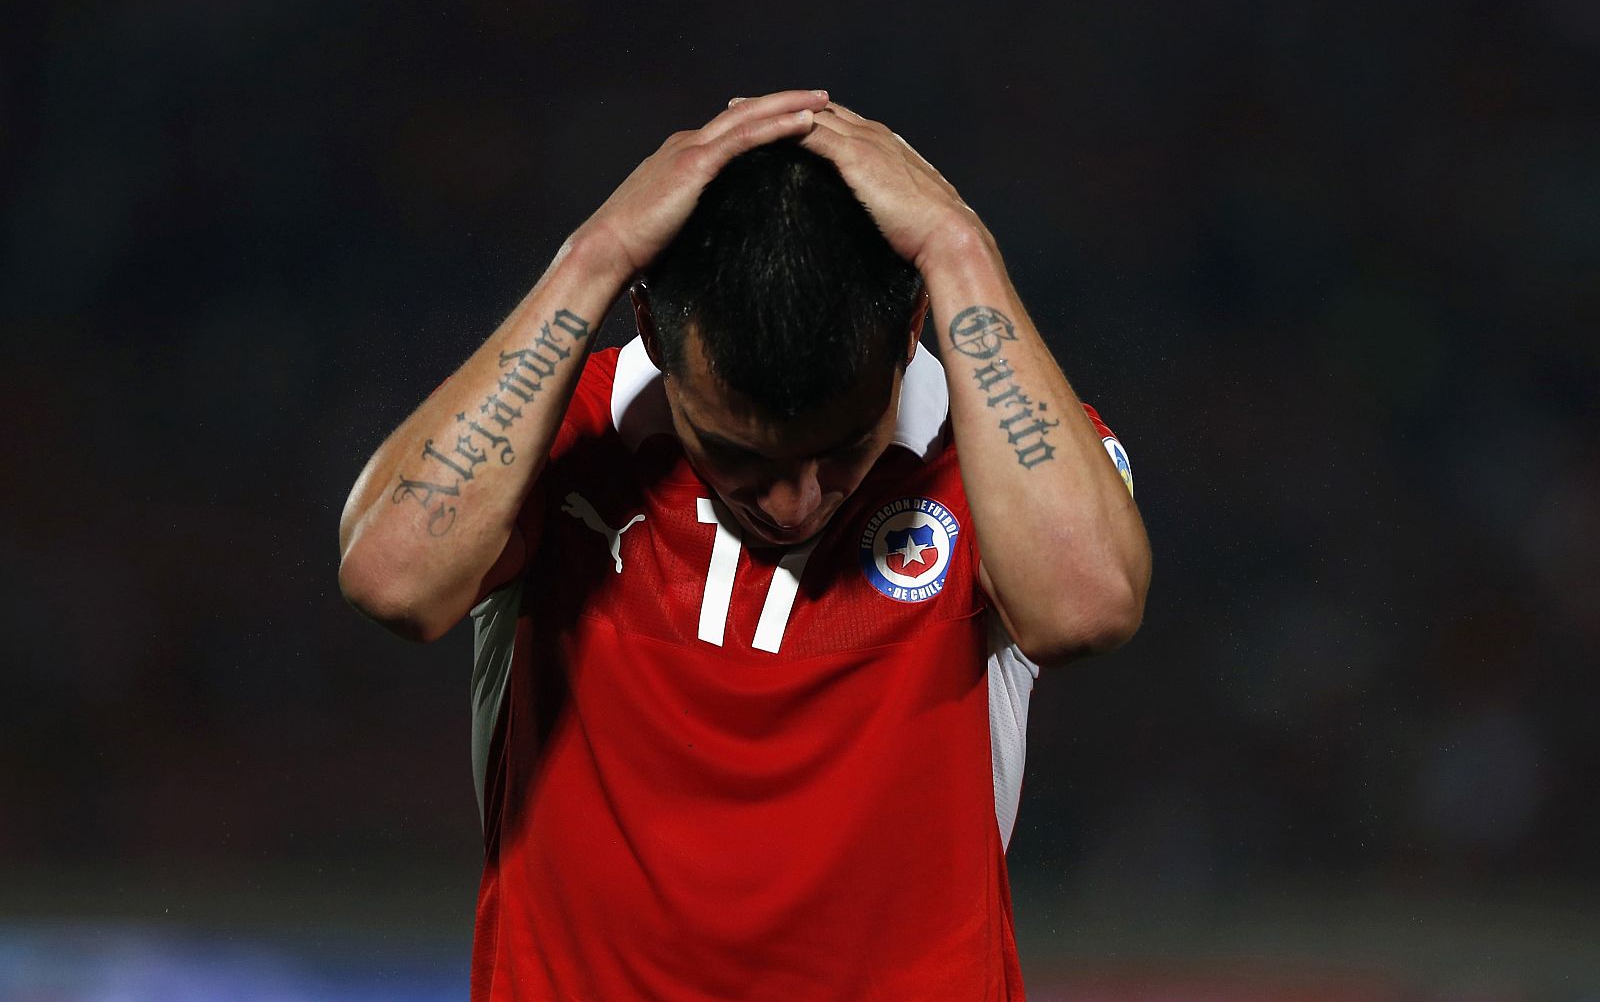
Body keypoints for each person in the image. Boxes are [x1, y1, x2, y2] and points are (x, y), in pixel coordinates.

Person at [337, 88, 1151, 1000]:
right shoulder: (567, 431)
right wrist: (594, 254)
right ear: (649, 326)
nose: (794, 502)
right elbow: (392, 577)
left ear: (914, 327)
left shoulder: (997, 455)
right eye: (737, 455)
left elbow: (1086, 606)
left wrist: (960, 247)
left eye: (841, 450)